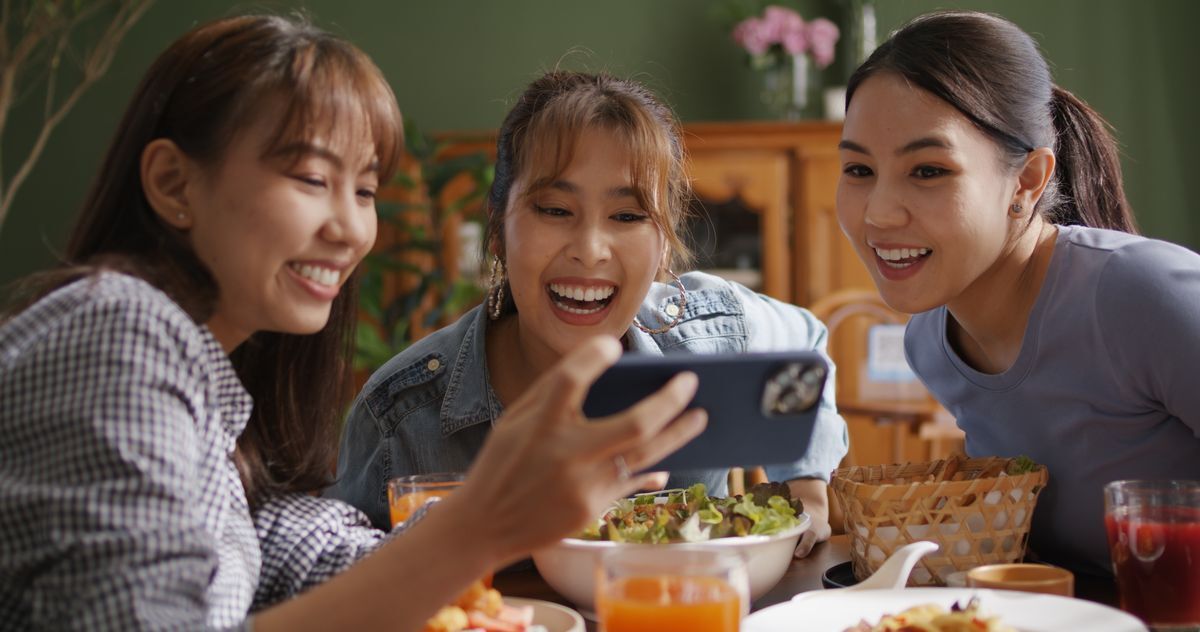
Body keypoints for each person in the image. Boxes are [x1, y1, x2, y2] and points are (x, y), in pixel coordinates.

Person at [0, 15, 707, 631]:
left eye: (364, 189)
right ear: (173, 184)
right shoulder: (111, 337)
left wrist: (505, 520)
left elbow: (294, 544)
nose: (350, 228)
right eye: (311, 179)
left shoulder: (209, 385)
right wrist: (480, 523)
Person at [329, 71, 848, 557]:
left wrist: (807, 482)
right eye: (555, 210)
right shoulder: (402, 416)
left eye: (627, 216)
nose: (591, 249)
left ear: (664, 242)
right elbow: (346, 591)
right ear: (498, 228)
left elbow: (805, 344)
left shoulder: (705, 333)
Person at [836, 10, 1200, 577]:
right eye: (858, 169)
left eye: (928, 171)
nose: (878, 213)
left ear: (1026, 181)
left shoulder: (1141, 295)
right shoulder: (932, 344)